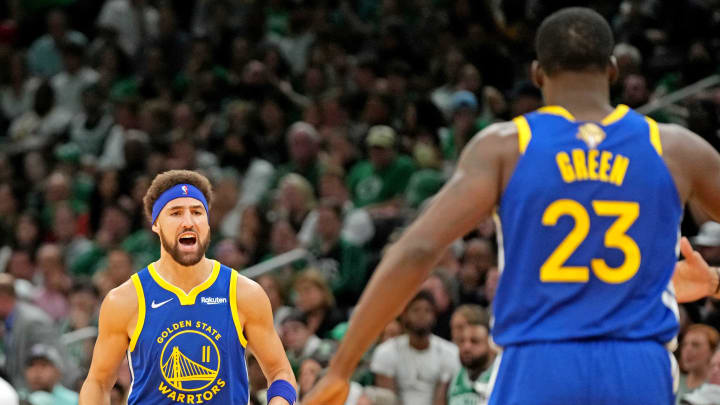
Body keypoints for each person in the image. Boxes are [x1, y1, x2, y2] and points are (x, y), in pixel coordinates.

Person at [304, 7, 720, 405]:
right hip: (638, 367)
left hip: (540, 363)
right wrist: (715, 283)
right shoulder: (674, 148)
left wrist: (340, 368)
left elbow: (417, 250)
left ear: (537, 73)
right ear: (613, 69)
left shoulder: (506, 147)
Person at [79, 170, 297, 404]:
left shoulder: (243, 293)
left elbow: (281, 374)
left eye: (197, 212)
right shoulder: (124, 299)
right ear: (156, 224)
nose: (188, 222)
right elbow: (98, 382)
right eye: (175, 213)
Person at [369, 291, 459, 405]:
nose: (422, 315)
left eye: (427, 311)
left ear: (435, 316)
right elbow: (388, 398)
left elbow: (442, 399)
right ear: (404, 315)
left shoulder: (449, 352)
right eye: (416, 310)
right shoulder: (386, 351)